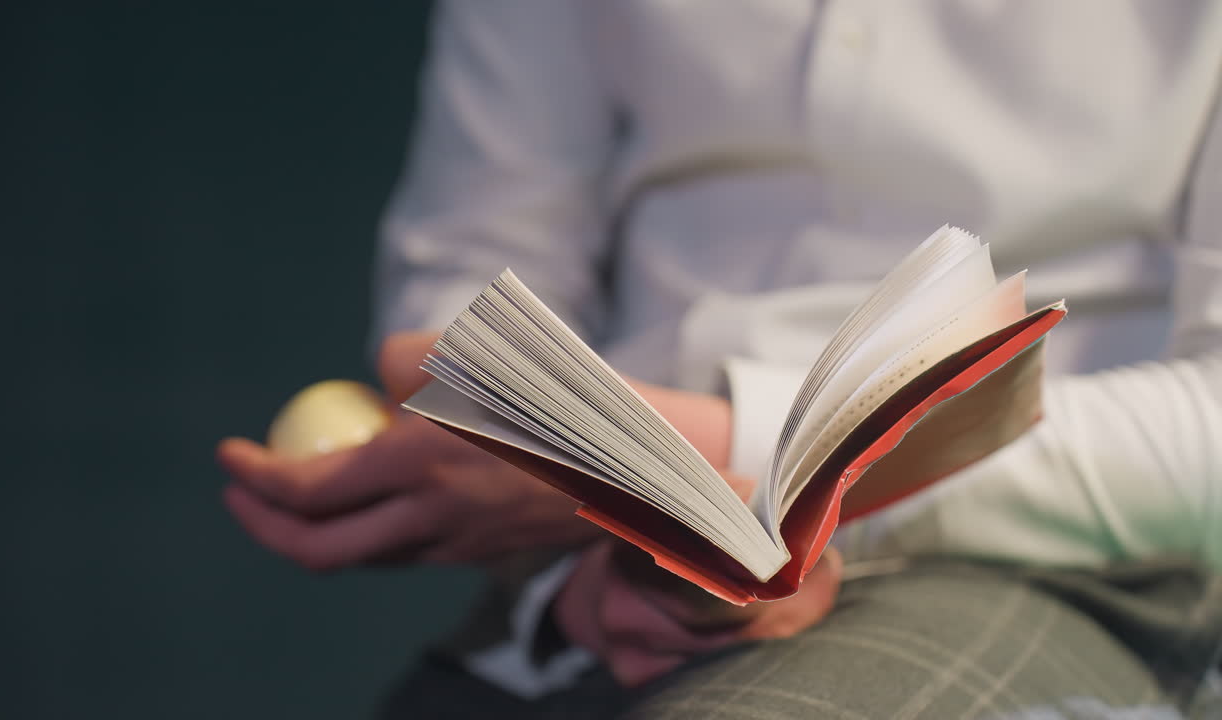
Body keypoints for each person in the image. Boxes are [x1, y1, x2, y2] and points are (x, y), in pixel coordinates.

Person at [219, 2, 1222, 717]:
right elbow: (466, 272)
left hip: (1071, 568)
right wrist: (619, 526)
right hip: (586, 563)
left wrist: (696, 466)